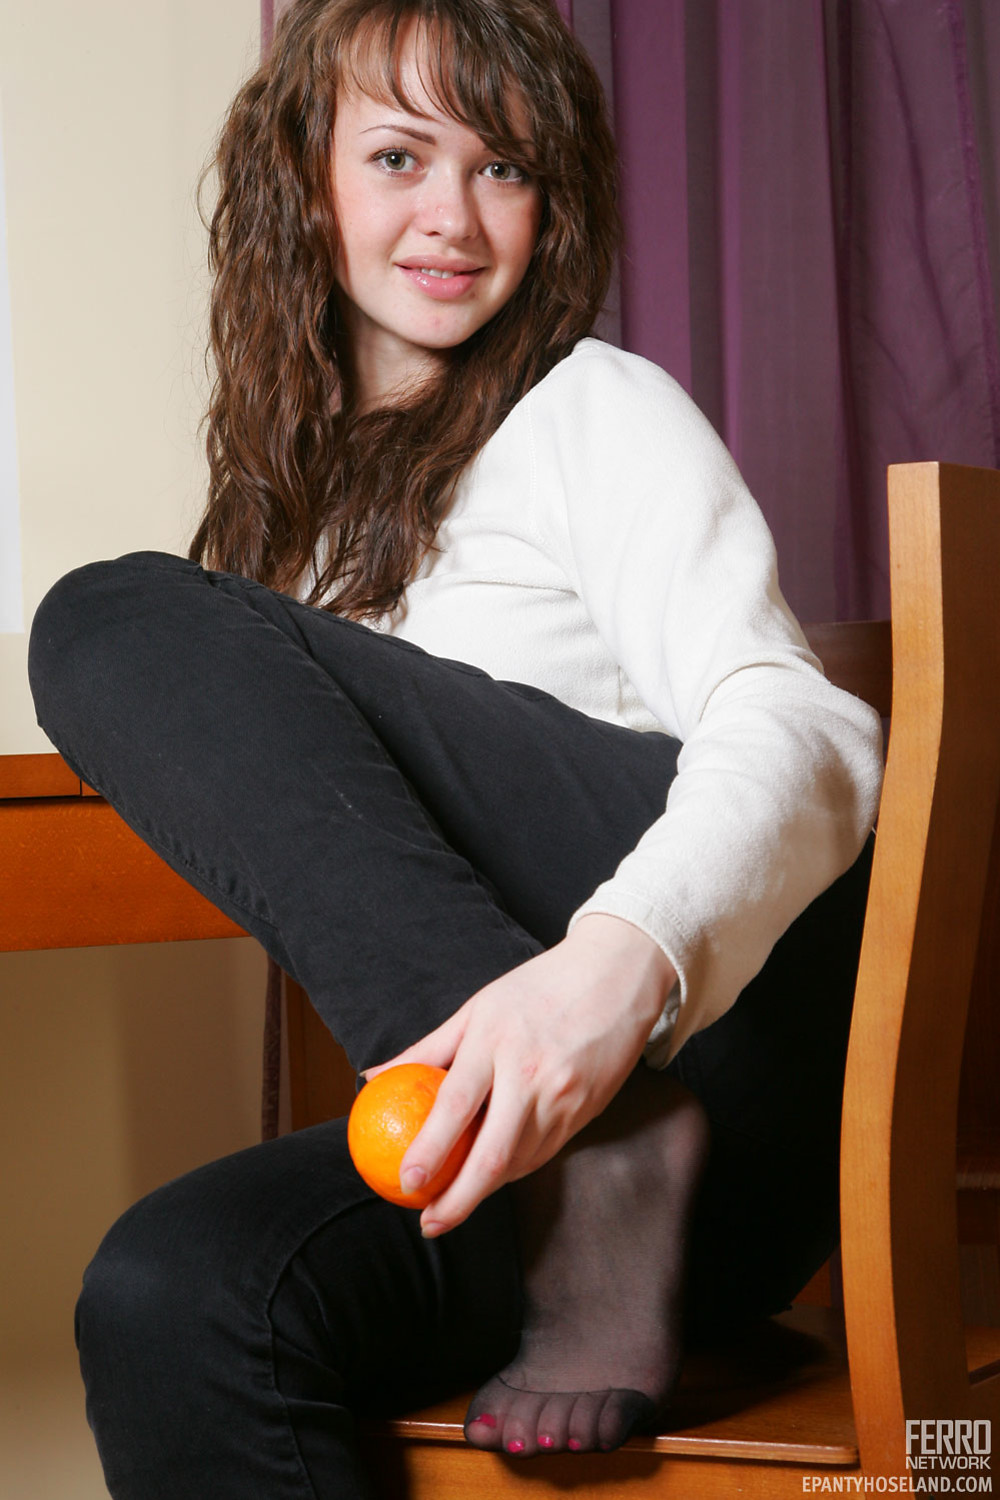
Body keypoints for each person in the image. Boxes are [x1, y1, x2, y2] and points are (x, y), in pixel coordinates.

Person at [27, 0, 883, 1493]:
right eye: (400, 157)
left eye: (504, 168)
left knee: (107, 616)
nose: (454, 216)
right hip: (531, 1171)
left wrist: (614, 967)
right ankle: (584, 1155)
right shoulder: (290, 533)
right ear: (306, 178)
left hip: (715, 1085)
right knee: (170, 1297)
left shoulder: (591, 410)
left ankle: (607, 1140)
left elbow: (806, 721)